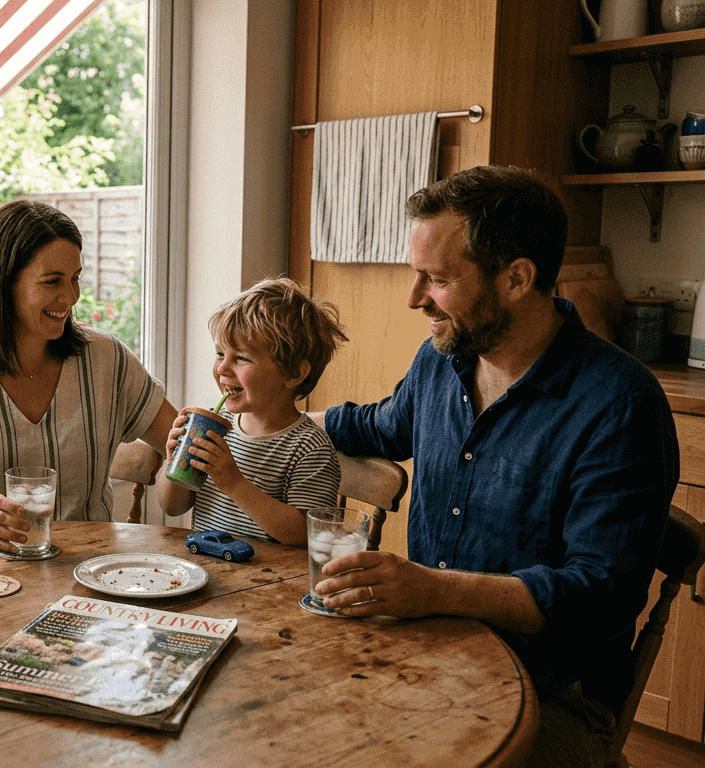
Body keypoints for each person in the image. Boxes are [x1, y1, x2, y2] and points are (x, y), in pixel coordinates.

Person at [309, 165, 678, 767]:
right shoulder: (442, 361)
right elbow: (377, 424)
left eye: (436, 279)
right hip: (430, 651)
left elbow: (599, 597)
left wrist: (433, 589)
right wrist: (262, 421)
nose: (414, 298)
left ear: (517, 278)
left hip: (554, 691)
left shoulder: (619, 405)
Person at [0, 200, 177, 552]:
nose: (71, 296)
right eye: (52, 281)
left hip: (93, 568)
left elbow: (180, 442)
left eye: (75, 278)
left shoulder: (107, 358)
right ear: (3, 283)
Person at [159, 278, 347, 547]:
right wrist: (174, 460)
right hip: (209, 570)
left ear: (293, 373)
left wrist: (233, 483)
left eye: (241, 358)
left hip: (270, 584)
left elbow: (305, 536)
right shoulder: (217, 429)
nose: (222, 369)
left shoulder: (309, 447)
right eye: (220, 354)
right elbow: (172, 508)